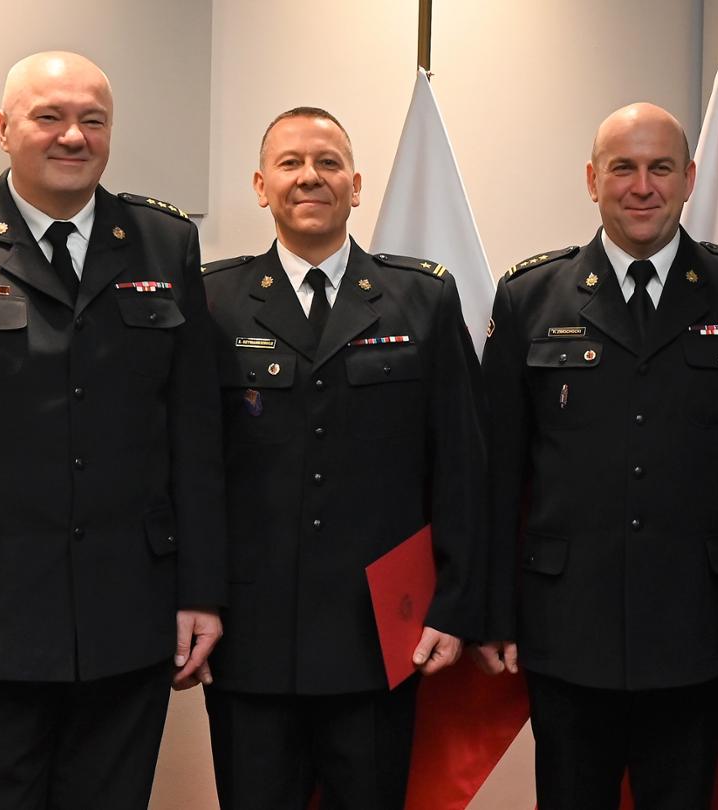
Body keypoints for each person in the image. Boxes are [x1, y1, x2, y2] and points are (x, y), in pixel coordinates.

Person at [0, 51, 225, 808]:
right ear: (4, 128)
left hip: (130, 612)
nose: (73, 136)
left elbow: (195, 435)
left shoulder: (164, 242)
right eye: (49, 116)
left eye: (93, 120)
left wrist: (202, 593)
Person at [477, 101, 718, 809]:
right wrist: (494, 612)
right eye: (623, 168)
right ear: (593, 180)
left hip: (696, 623)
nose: (642, 186)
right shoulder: (530, 296)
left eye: (660, 168)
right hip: (566, 622)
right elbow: (499, 475)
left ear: (689, 179)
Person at [196, 107, 485, 809]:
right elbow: (191, 470)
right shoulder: (213, 300)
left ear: (356, 186)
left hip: (380, 634)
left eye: (328, 163)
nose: (310, 177)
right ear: (261, 186)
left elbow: (462, 466)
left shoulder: (422, 297)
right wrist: (192, 599)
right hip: (252, 638)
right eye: (291, 163)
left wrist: (455, 605)